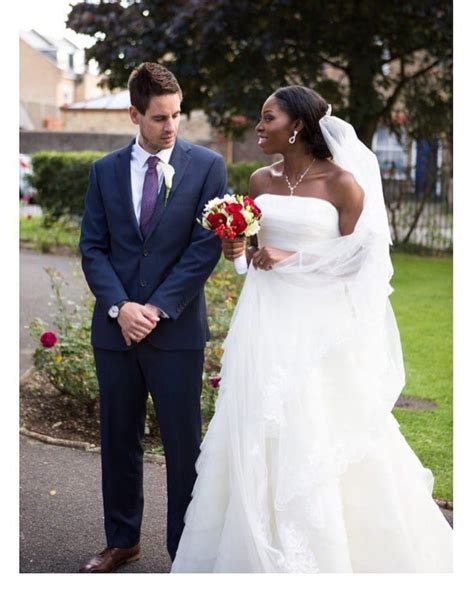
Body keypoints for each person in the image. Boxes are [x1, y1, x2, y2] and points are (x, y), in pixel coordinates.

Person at [171, 86, 452, 573]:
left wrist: (294, 257)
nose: (259, 127)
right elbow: (253, 258)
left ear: (297, 125)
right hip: (264, 321)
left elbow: (363, 264)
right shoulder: (259, 181)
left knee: (317, 425)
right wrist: (237, 251)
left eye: (268, 118)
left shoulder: (343, 183)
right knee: (256, 425)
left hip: (319, 330)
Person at [79, 62, 227, 573]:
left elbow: (203, 249)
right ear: (133, 114)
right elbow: (93, 249)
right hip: (116, 332)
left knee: (183, 444)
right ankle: (122, 541)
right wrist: (121, 308)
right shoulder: (102, 171)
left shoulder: (207, 166)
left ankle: (183, 551)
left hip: (176, 332)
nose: (171, 126)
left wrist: (156, 309)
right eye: (160, 117)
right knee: (118, 439)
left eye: (177, 115)